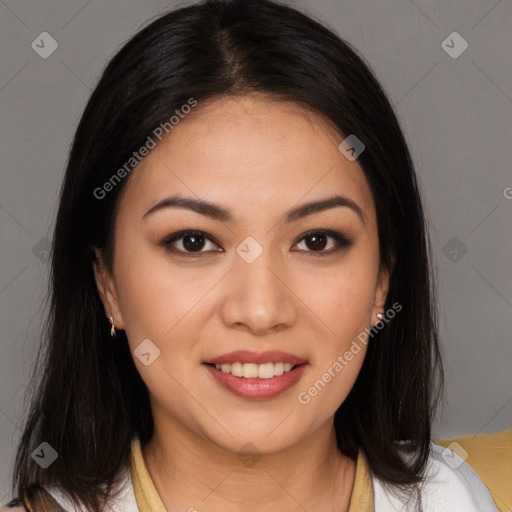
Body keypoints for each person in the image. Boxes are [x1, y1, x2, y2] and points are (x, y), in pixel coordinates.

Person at [2, 0, 500, 511]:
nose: (260, 311)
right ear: (107, 284)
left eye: (316, 240)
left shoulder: (454, 497)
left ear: (382, 283)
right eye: (193, 242)